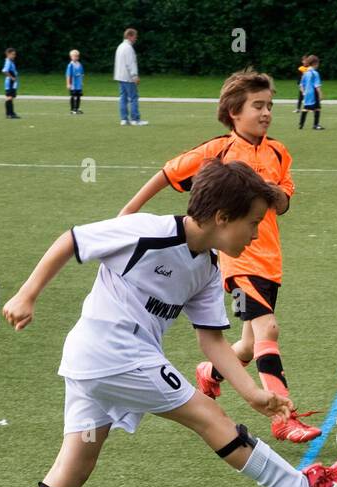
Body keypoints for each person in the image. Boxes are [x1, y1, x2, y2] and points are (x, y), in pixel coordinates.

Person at [0, 159, 337, 487]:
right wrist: (27, 294)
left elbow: (212, 341)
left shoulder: (207, 268)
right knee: (206, 416)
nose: (256, 234)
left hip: (99, 362)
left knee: (75, 464)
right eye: (253, 223)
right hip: (110, 351)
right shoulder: (148, 231)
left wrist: (253, 393)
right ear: (223, 217)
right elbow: (72, 241)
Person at [120, 70, 320, 444]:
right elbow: (168, 173)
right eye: (257, 106)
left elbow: (285, 201)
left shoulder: (278, 152)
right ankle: (284, 415)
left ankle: (210, 374)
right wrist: (129, 210)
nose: (266, 113)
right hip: (234, 259)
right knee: (269, 329)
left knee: (247, 345)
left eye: (269, 106)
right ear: (233, 112)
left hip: (269, 259)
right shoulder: (217, 150)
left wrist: (275, 193)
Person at [114, 27, 148, 126]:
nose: (136, 38)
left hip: (120, 76)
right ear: (129, 36)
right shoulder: (128, 48)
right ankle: (135, 119)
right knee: (133, 97)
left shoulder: (120, 46)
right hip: (128, 77)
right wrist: (135, 76)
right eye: (134, 36)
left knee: (123, 98)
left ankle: (124, 119)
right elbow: (131, 63)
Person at [298, 55, 323, 129]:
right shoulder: (315, 73)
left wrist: (303, 92)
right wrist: (320, 94)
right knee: (317, 108)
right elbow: (317, 85)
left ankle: (301, 124)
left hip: (307, 93)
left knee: (306, 107)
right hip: (313, 93)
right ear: (315, 63)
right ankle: (316, 125)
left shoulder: (305, 73)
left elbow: (301, 85)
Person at [2, 47, 21, 119]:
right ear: (8, 54)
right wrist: (11, 77)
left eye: (14, 54)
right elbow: (4, 71)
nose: (14, 56)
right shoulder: (8, 61)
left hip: (12, 82)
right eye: (12, 54)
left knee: (11, 97)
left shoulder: (10, 61)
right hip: (10, 82)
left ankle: (11, 113)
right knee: (9, 97)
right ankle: (9, 114)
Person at [66, 49, 85, 114]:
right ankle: (72, 109)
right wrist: (68, 83)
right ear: (71, 57)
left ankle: (77, 108)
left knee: (79, 96)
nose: (76, 57)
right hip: (73, 84)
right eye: (74, 56)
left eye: (77, 56)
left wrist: (81, 82)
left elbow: (82, 74)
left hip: (78, 84)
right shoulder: (70, 65)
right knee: (73, 96)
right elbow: (68, 75)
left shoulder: (80, 64)